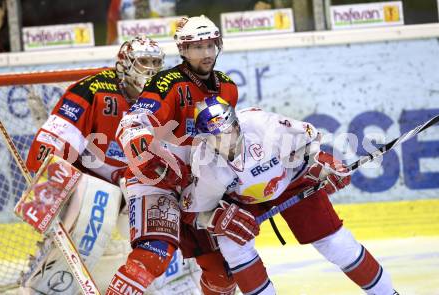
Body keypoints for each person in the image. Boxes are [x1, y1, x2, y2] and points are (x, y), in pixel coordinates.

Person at [23, 36, 198, 295]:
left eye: (156, 62)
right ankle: (48, 288)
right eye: (143, 62)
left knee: (165, 222)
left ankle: (175, 287)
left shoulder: (167, 95)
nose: (151, 69)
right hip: (88, 187)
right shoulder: (93, 90)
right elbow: (53, 140)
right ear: (125, 64)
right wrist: (46, 192)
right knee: (99, 207)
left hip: (135, 183)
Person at [181, 96, 400, 295]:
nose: (225, 142)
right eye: (215, 138)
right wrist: (216, 219)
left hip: (291, 180)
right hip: (241, 200)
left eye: (228, 132)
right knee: (233, 247)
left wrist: (323, 165)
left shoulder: (263, 125)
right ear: (205, 140)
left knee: (336, 244)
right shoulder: (205, 163)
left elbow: (309, 147)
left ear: (237, 124)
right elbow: (193, 210)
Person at [107, 15, 239, 295]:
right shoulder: (166, 83)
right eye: (198, 47)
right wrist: (152, 161)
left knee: (224, 272)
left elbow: (232, 140)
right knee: (153, 255)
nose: (206, 53)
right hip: (155, 181)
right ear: (182, 50)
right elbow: (133, 123)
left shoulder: (228, 87)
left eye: (211, 45)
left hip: (198, 186)